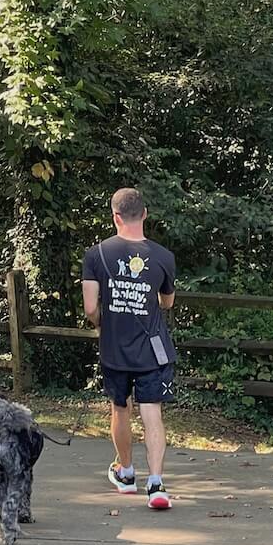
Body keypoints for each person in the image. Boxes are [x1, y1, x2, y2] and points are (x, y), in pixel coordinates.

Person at [81, 187, 176, 511]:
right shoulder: (164, 257)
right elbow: (167, 301)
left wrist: (101, 324)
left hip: (114, 348)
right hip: (152, 348)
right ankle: (157, 484)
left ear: (115, 216)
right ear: (145, 214)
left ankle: (126, 473)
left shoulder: (96, 255)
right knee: (152, 413)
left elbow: (91, 307)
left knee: (119, 409)